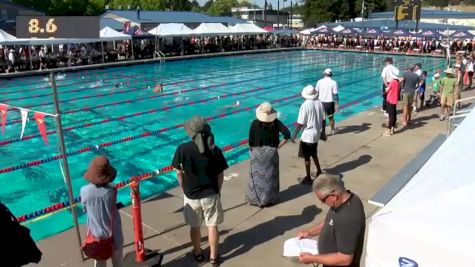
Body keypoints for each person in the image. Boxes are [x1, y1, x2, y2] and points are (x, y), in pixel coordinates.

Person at [172, 115, 228, 266]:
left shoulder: (183, 149)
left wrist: (184, 188)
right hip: (211, 194)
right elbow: (220, 175)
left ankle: (197, 253)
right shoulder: (214, 150)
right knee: (212, 226)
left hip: (191, 195)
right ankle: (213, 257)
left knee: (195, 227)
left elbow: (178, 171)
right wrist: (218, 191)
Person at [296, 173, 366, 267]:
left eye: (323, 200)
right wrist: (309, 232)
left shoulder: (348, 219)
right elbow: (330, 220)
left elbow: (345, 259)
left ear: (333, 196)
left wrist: (312, 258)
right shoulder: (343, 200)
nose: (322, 203)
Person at [80, 156, 124, 267]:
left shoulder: (84, 191)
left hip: (96, 238)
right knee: (118, 262)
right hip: (114, 236)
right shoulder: (112, 191)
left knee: (99, 262)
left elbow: (85, 210)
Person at [247, 102, 290, 207]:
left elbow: (250, 141)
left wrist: (251, 152)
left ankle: (255, 200)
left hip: (256, 152)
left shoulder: (254, 123)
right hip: (271, 152)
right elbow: (287, 134)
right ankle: (268, 200)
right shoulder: (276, 123)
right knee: (270, 177)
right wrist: (278, 146)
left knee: (255, 177)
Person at [291, 85, 325, 185]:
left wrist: (294, 135)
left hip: (307, 136)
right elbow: (323, 119)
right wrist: (323, 132)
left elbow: (300, 122)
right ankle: (319, 171)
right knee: (314, 153)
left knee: (307, 157)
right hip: (316, 134)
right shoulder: (319, 102)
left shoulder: (305, 105)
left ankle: (308, 178)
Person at [316, 68, 339, 135]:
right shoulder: (334, 82)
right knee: (331, 118)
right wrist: (337, 104)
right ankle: (332, 130)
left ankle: (323, 132)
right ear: (331, 74)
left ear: (324, 74)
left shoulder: (319, 81)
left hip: (321, 103)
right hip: (330, 103)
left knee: (322, 119)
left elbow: (316, 93)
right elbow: (335, 95)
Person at [383, 67, 400, 136]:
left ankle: (389, 130)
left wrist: (386, 88)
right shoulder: (397, 82)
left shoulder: (393, 82)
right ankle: (392, 128)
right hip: (394, 99)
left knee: (391, 116)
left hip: (391, 99)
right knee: (394, 114)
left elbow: (387, 90)